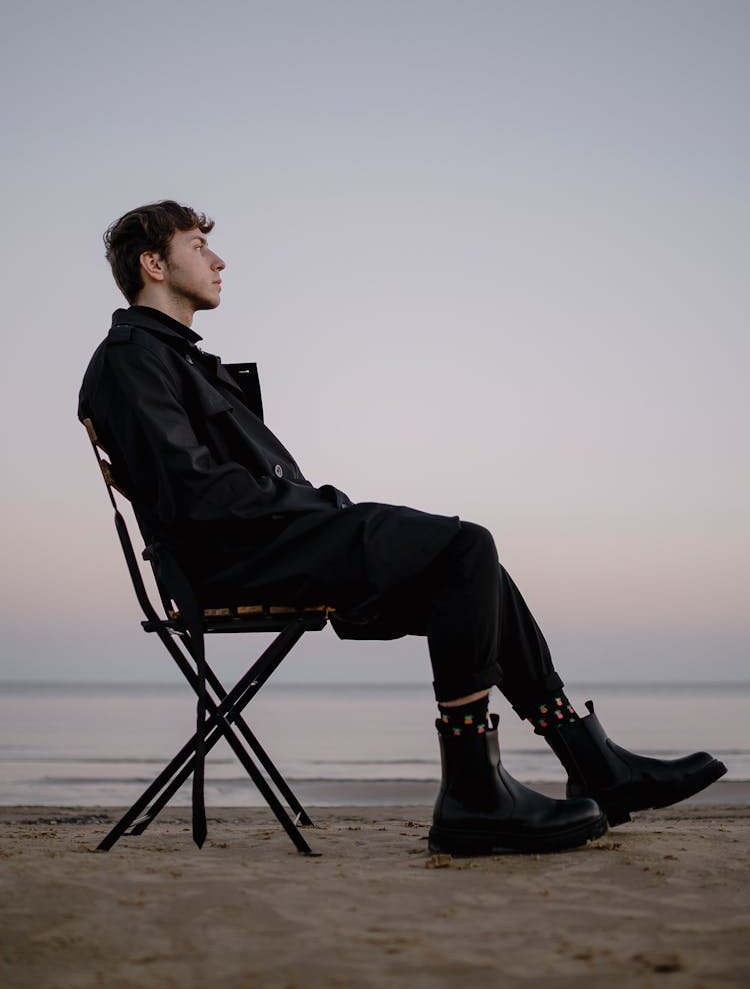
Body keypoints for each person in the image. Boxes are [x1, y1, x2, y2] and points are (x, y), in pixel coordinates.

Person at [79, 200, 726, 856]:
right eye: (197, 246)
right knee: (465, 546)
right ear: (154, 263)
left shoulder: (178, 360)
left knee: (476, 572)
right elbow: (197, 495)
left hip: (259, 542)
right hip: (230, 558)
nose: (218, 260)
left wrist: (314, 509)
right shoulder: (131, 359)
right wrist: (321, 508)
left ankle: (595, 766)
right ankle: (475, 793)